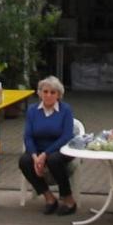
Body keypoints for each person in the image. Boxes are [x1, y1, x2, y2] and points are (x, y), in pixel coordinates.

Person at [18, 75, 77, 215]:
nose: (48, 95)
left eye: (52, 92)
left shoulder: (65, 110)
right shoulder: (32, 110)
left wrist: (45, 154)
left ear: (59, 95)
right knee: (24, 161)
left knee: (53, 159)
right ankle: (49, 198)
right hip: (38, 150)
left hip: (61, 149)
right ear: (39, 93)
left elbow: (66, 136)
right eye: (45, 92)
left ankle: (69, 200)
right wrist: (34, 157)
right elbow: (28, 136)